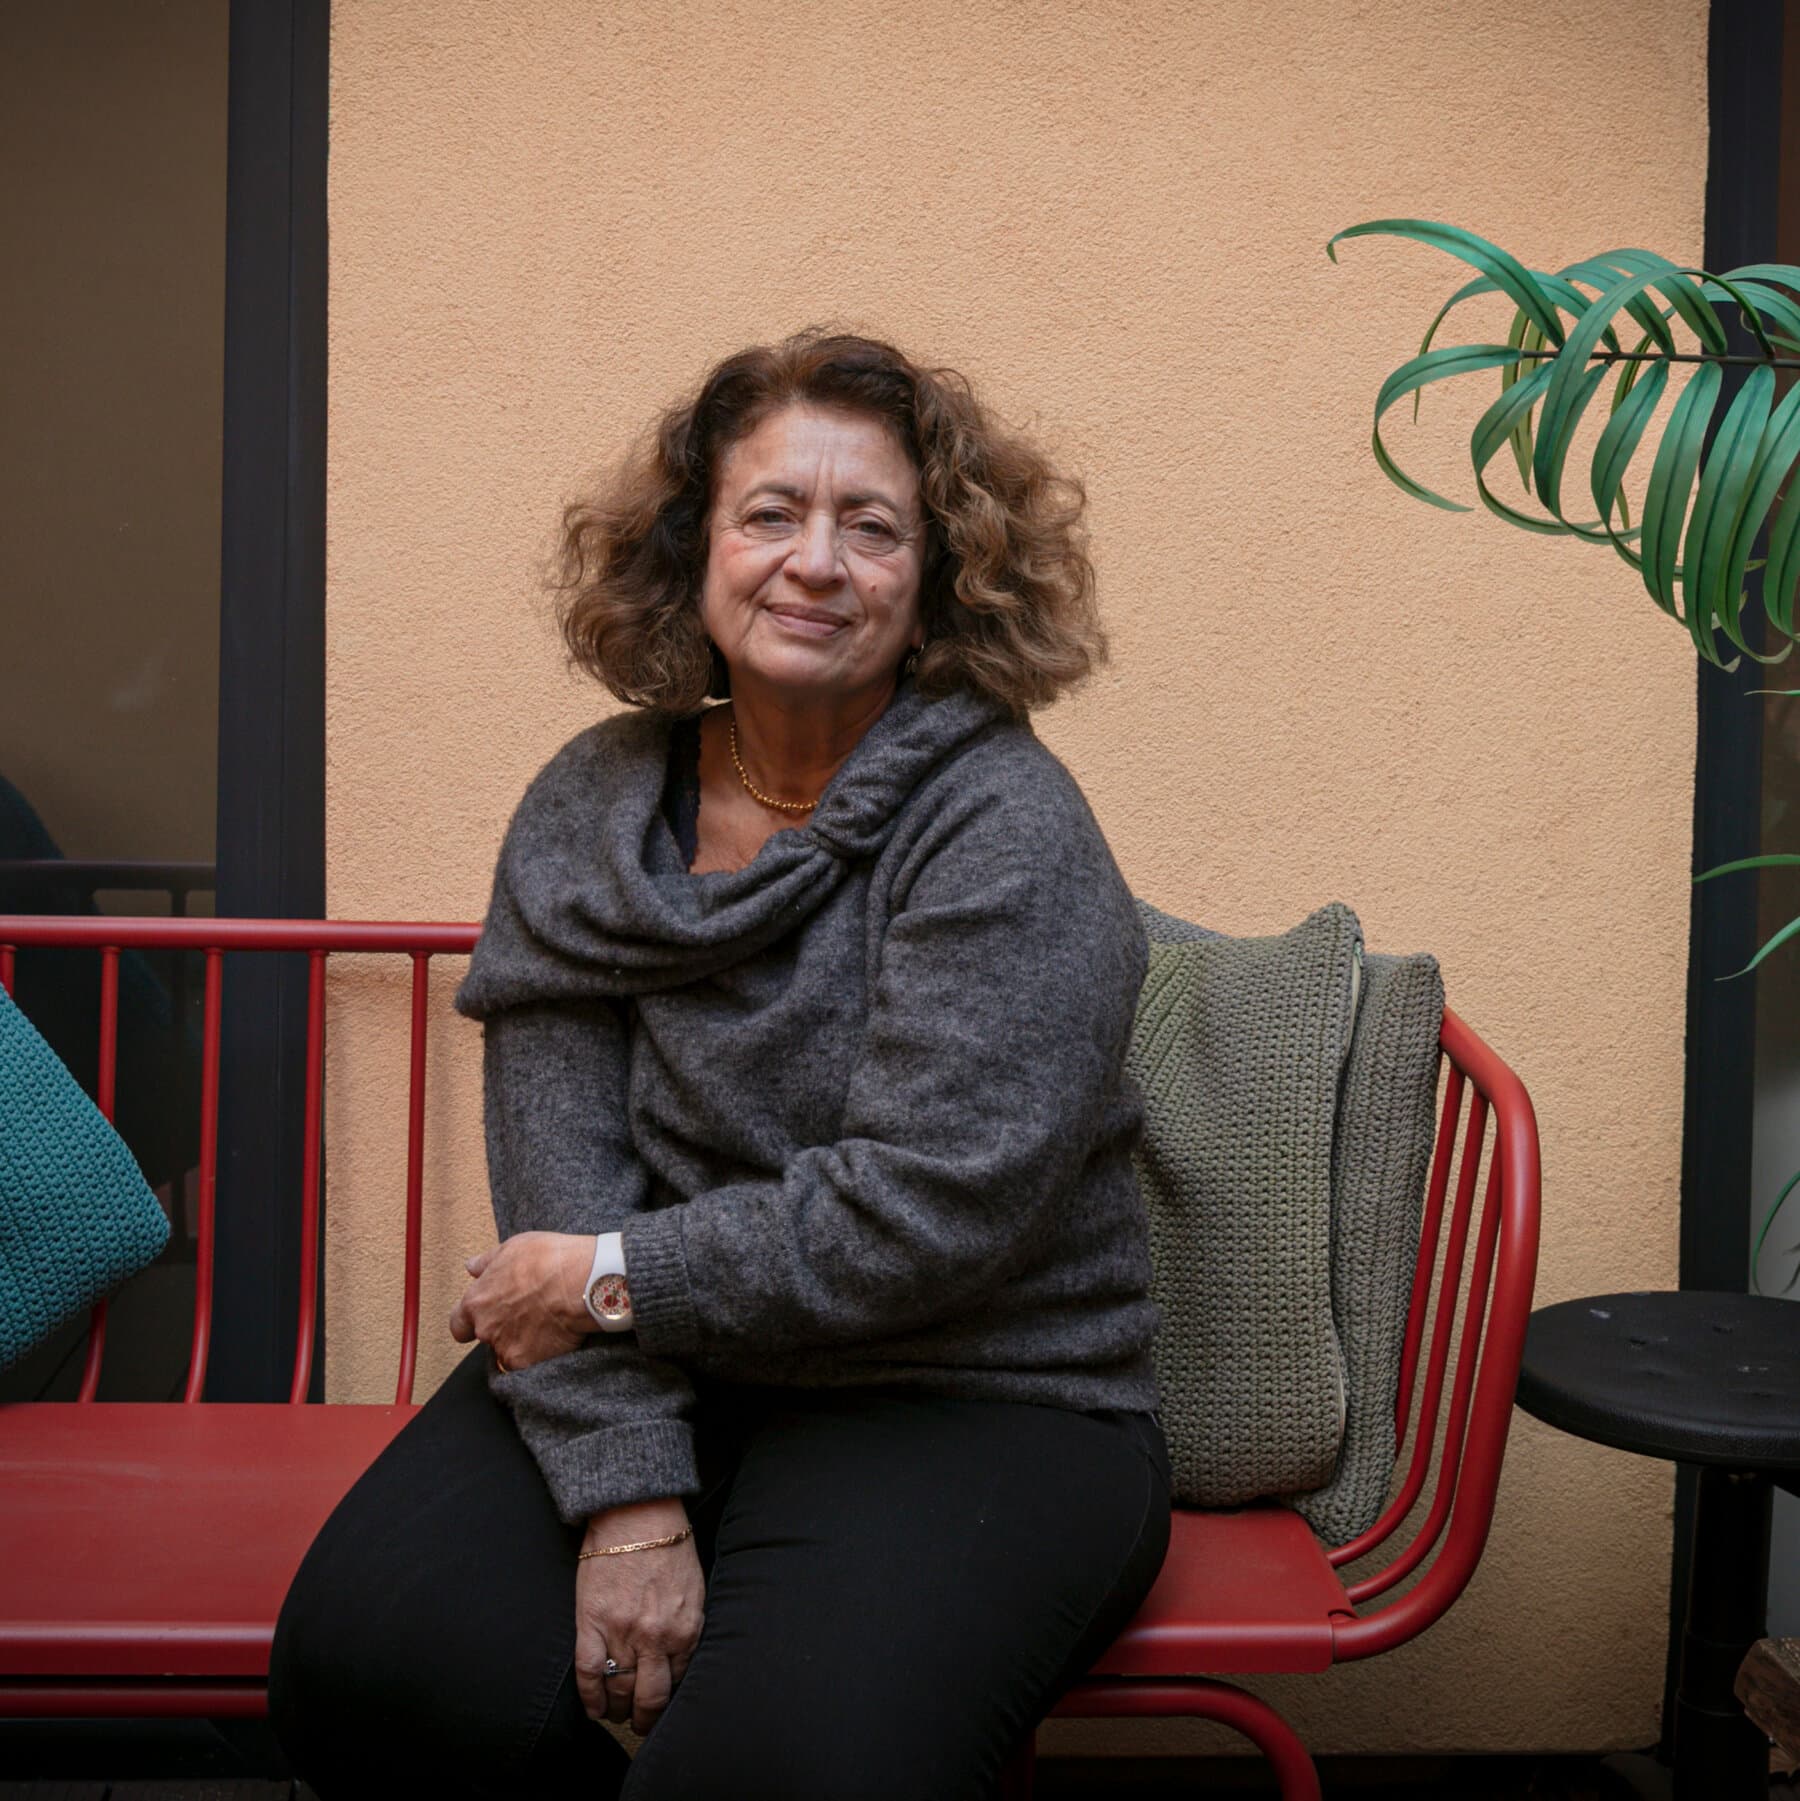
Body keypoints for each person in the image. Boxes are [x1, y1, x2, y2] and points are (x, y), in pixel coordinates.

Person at [268, 330, 1171, 1801]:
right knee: (373, 1672)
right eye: (770, 514)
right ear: (695, 550)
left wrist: (607, 1278)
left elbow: (921, 1214)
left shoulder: (1005, 824)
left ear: (939, 580)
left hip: (974, 1387)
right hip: (659, 1355)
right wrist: (625, 1493)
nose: (816, 562)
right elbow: (562, 1182)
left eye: (871, 527)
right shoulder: (595, 808)